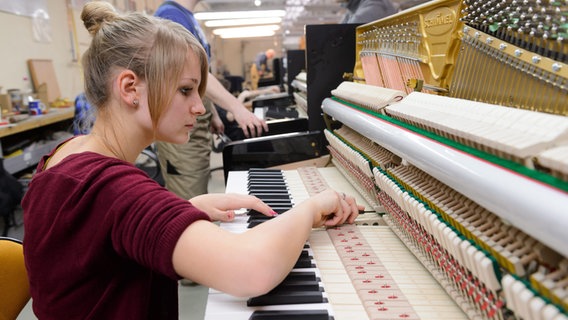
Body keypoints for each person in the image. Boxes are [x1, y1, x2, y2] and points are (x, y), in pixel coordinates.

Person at [21, 2, 363, 319]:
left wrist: (185, 209)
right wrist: (311, 208)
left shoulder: (68, 155)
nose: (199, 108)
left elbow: (102, 241)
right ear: (129, 88)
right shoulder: (111, 188)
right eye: (186, 90)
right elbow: (250, 269)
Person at [153, 0, 268, 200]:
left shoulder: (187, 17)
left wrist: (213, 112)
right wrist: (237, 108)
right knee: (189, 195)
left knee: (198, 184)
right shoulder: (171, 15)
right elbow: (188, 73)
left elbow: (199, 77)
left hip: (196, 116)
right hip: (179, 121)